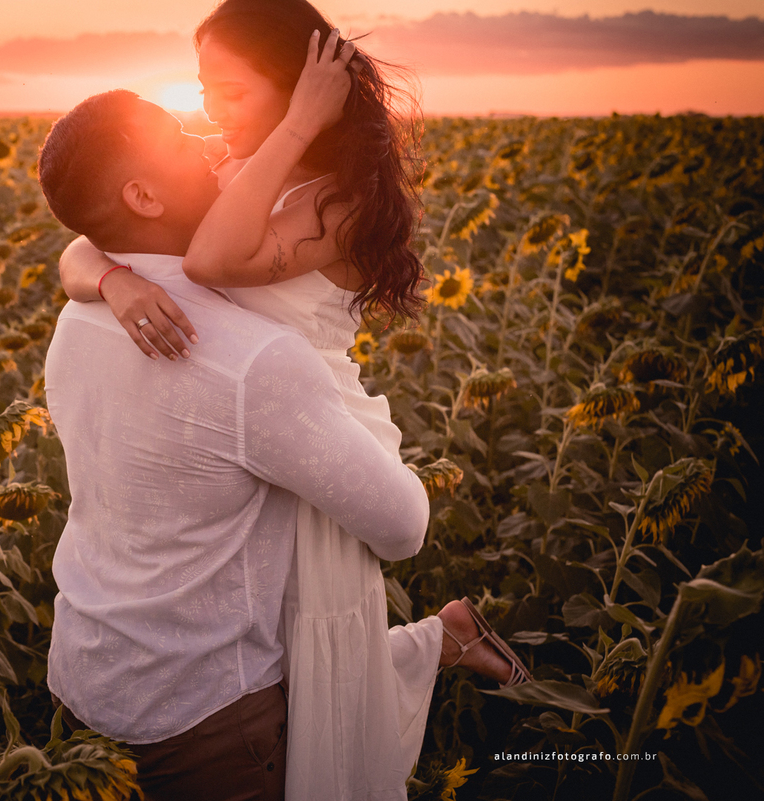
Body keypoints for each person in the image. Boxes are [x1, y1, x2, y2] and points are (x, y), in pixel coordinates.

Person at [55, 1, 531, 799]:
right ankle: (443, 638)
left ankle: (440, 645)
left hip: (307, 418)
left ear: (298, 92)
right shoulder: (234, 158)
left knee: (316, 645)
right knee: (280, 648)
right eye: (201, 91)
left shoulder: (335, 199)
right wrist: (114, 278)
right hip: (243, 423)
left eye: (229, 93)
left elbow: (208, 258)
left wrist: (302, 125)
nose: (208, 115)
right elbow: (86, 234)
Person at [37, 88, 431, 801]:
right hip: (203, 718)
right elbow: (403, 527)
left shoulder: (79, 316)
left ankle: (447, 641)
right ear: (144, 195)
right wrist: (352, 402)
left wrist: (109, 276)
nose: (209, 143)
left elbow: (85, 251)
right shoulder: (255, 362)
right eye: (179, 140)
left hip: (79, 674)